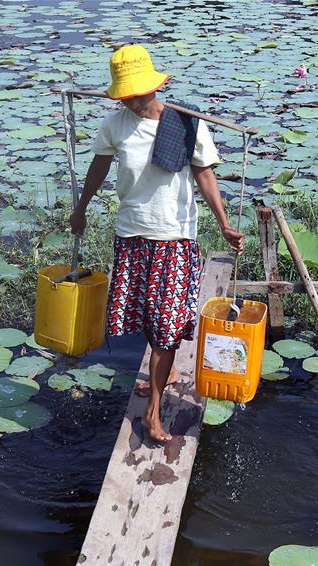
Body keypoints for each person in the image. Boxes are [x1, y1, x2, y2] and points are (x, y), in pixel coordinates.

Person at [69, 45, 243, 443]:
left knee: (166, 325)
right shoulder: (115, 126)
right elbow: (97, 170)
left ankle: (152, 414)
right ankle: (168, 371)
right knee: (148, 315)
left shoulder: (186, 124)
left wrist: (225, 224)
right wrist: (80, 209)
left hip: (174, 236)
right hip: (132, 235)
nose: (131, 101)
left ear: (154, 87)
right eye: (125, 95)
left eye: (137, 94)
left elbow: (205, 177)